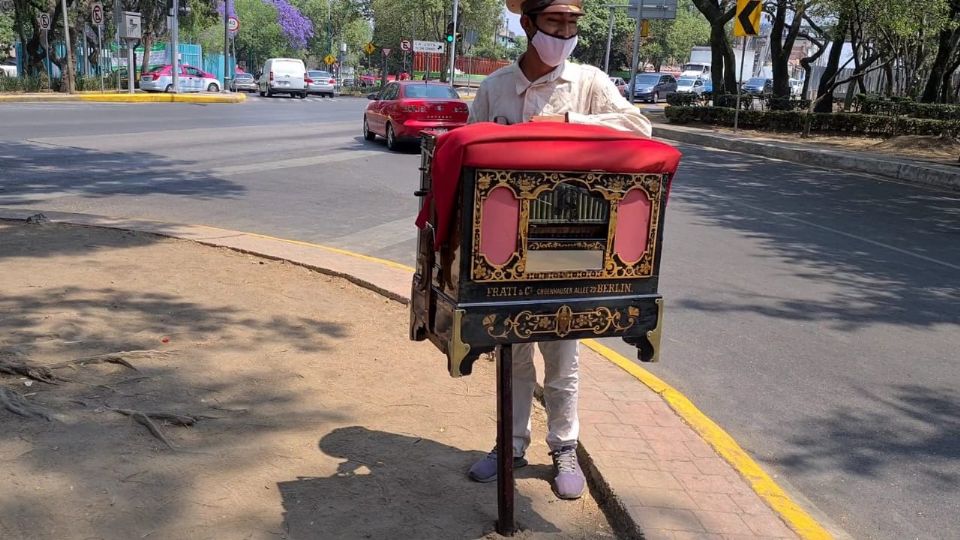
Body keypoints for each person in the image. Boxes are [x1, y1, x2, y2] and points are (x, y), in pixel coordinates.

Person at [465, 0, 651, 500]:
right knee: (512, 355)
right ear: (528, 24)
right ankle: (510, 444)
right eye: (555, 22)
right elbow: (465, 154)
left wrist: (574, 120)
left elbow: (640, 128)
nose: (565, 32)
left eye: (572, 23)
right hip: (502, 256)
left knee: (562, 357)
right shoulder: (495, 87)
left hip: (570, 249)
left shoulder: (589, 82)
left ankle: (564, 447)